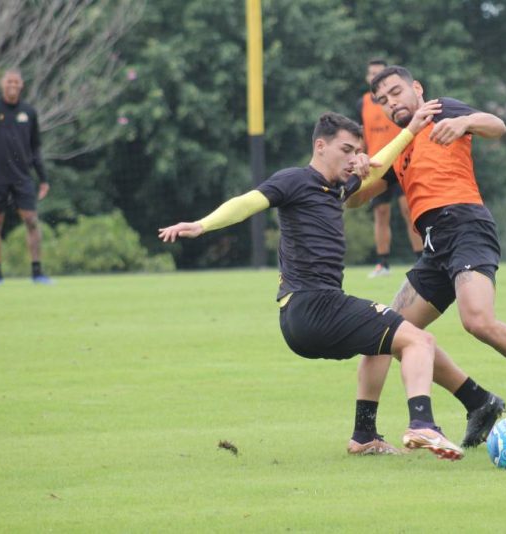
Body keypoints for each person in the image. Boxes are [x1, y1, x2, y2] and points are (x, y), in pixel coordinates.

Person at [159, 110, 466, 460]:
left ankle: (364, 435)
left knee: (383, 341)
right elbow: (248, 203)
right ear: (320, 146)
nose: (352, 159)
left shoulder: (336, 188)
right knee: (419, 339)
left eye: (356, 152)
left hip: (307, 315)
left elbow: (378, 168)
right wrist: (202, 225)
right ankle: (422, 424)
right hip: (312, 307)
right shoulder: (294, 180)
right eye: (346, 150)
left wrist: (411, 129)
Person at [345, 65, 506, 448]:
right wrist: (357, 170)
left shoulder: (440, 110)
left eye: (396, 92)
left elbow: (496, 126)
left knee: (477, 321)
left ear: (416, 88)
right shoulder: (398, 148)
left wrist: (465, 124)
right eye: (382, 101)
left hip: (466, 227)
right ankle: (467, 405)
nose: (390, 103)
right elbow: (357, 199)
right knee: (386, 335)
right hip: (434, 246)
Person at [0, 69, 51, 285]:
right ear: (2, 84)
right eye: (9, 82)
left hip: (22, 177)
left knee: (32, 221)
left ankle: (37, 272)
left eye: (16, 82)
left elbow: (35, 148)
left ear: (22, 85)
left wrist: (43, 178)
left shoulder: (29, 112)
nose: (13, 85)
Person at [358, 59, 423, 277]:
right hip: (379, 164)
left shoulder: (400, 100)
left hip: (403, 160)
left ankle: (421, 258)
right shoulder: (364, 103)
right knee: (381, 213)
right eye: (371, 73)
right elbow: (362, 134)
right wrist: (361, 156)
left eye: (379, 72)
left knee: (409, 209)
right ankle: (382, 263)